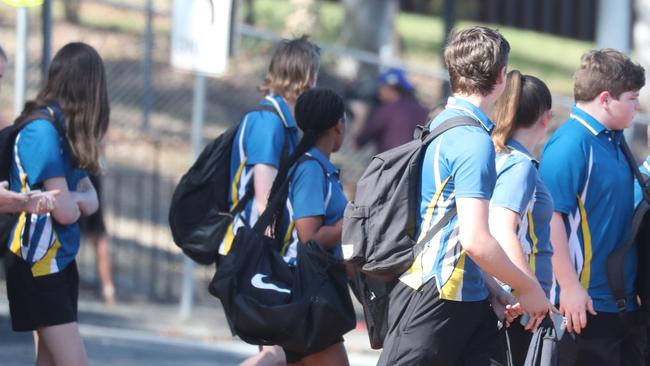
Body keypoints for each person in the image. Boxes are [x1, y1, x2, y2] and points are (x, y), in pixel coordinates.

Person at [378, 26, 549, 366]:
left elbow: (456, 231)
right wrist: (528, 287)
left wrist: (494, 289)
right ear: (501, 77)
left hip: (463, 296)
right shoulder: (472, 141)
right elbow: (475, 239)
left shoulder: (444, 121)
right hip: (437, 297)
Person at [4, 42, 109, 366]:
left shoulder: (66, 132)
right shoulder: (43, 131)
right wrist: (76, 200)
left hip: (59, 261)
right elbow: (67, 210)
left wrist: (73, 199)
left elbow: (89, 201)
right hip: (37, 261)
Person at [218, 35, 321, 366]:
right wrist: (276, 259)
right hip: (255, 249)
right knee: (276, 350)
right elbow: (264, 200)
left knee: (284, 350)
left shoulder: (285, 123)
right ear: (307, 77)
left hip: (262, 248)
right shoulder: (269, 122)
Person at [539, 48, 646, 365]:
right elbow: (549, 219)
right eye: (631, 97)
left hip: (621, 306)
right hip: (585, 308)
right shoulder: (571, 144)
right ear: (605, 99)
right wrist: (570, 288)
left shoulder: (613, 139)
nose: (637, 105)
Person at [265, 88, 350, 366]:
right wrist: (353, 219)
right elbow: (309, 236)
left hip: (310, 290)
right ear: (338, 124)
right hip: (305, 292)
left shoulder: (319, 166)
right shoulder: (311, 168)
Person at [489, 70, 555, 364]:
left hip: (510, 297)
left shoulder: (499, 155)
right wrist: (529, 290)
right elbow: (503, 230)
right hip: (517, 304)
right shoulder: (519, 165)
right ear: (545, 117)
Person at [354, 67, 430, 152]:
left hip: (391, 164)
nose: (378, 91)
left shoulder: (386, 111)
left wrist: (360, 115)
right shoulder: (424, 111)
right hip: (418, 163)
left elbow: (357, 144)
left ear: (390, 89)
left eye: (381, 86)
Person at [79, 174, 115, 304]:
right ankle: (108, 288)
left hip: (75, 174)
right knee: (99, 235)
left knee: (98, 235)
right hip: (89, 172)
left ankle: (108, 287)